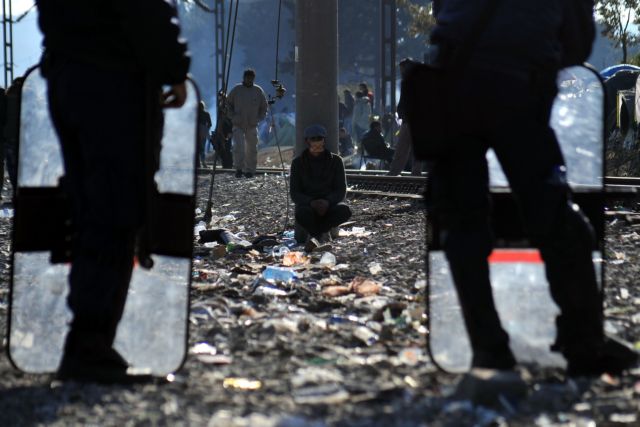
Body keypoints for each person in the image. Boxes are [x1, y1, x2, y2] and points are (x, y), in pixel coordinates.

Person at [420, 0, 638, 376]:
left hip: (450, 83)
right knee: (554, 213)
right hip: (518, 87)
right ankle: (583, 343)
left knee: (460, 220)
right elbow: (578, 42)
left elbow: (443, 13)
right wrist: (537, 57)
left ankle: (489, 351)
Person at [36, 0, 190, 383]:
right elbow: (144, 9)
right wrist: (172, 69)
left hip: (66, 74)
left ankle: (89, 340)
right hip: (112, 81)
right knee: (115, 207)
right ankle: (89, 344)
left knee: (90, 206)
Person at [290, 124, 352, 244]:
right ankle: (321, 234)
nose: (317, 142)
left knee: (345, 210)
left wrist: (327, 201)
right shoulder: (298, 163)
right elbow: (295, 193)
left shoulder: (336, 161)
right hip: (308, 206)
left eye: (319, 139)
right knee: (302, 213)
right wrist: (311, 202)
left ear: (324, 140)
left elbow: (341, 190)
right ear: (307, 141)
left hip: (329, 205)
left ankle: (315, 235)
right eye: (313, 139)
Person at [226, 68, 268, 178]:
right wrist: (233, 117)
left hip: (252, 125)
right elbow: (228, 104)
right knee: (238, 148)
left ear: (253, 78)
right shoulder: (236, 89)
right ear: (243, 78)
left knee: (252, 149)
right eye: (247, 78)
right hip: (238, 124)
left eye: (251, 78)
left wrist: (259, 118)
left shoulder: (258, 91)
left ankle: (250, 170)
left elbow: (264, 107)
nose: (249, 80)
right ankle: (239, 169)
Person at [388, 58, 423, 176]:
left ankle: (395, 171)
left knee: (402, 147)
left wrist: (401, 112)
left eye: (402, 68)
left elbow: (405, 100)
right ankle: (416, 171)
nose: (401, 71)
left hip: (410, 119)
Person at [197, 101, 212, 168]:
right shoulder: (206, 114)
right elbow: (210, 124)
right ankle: (202, 163)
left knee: (198, 148)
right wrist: (206, 129)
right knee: (202, 148)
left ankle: (199, 163)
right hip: (203, 131)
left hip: (198, 131)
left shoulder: (196, 113)